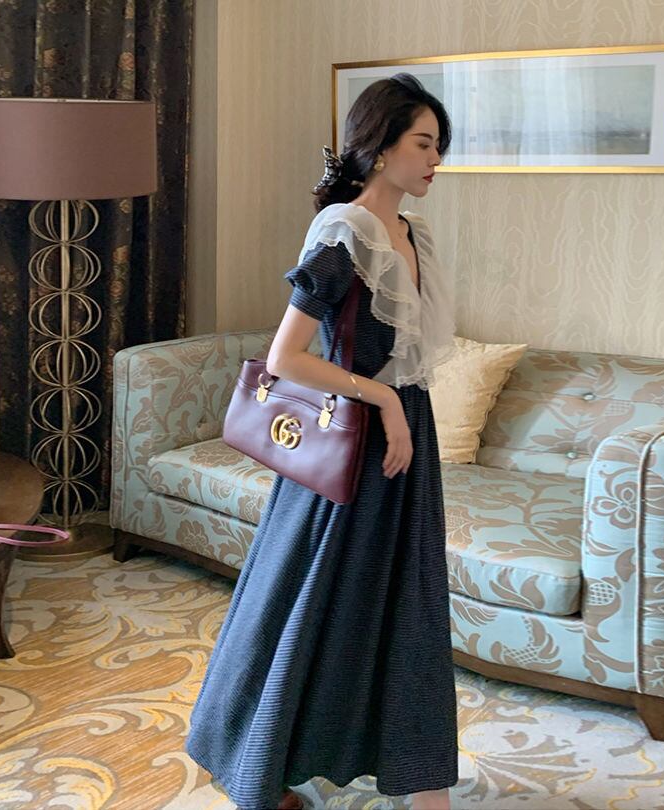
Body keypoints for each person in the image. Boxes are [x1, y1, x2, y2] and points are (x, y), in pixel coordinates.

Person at [185, 73, 457, 810]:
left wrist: (403, 408)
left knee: (408, 607)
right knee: (307, 603)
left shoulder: (414, 234)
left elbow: (413, 361)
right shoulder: (346, 233)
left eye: (440, 146)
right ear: (381, 147)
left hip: (407, 442)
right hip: (352, 441)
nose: (436, 160)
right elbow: (286, 357)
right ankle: (257, 765)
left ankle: (424, 786)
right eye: (424, 144)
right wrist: (385, 401)